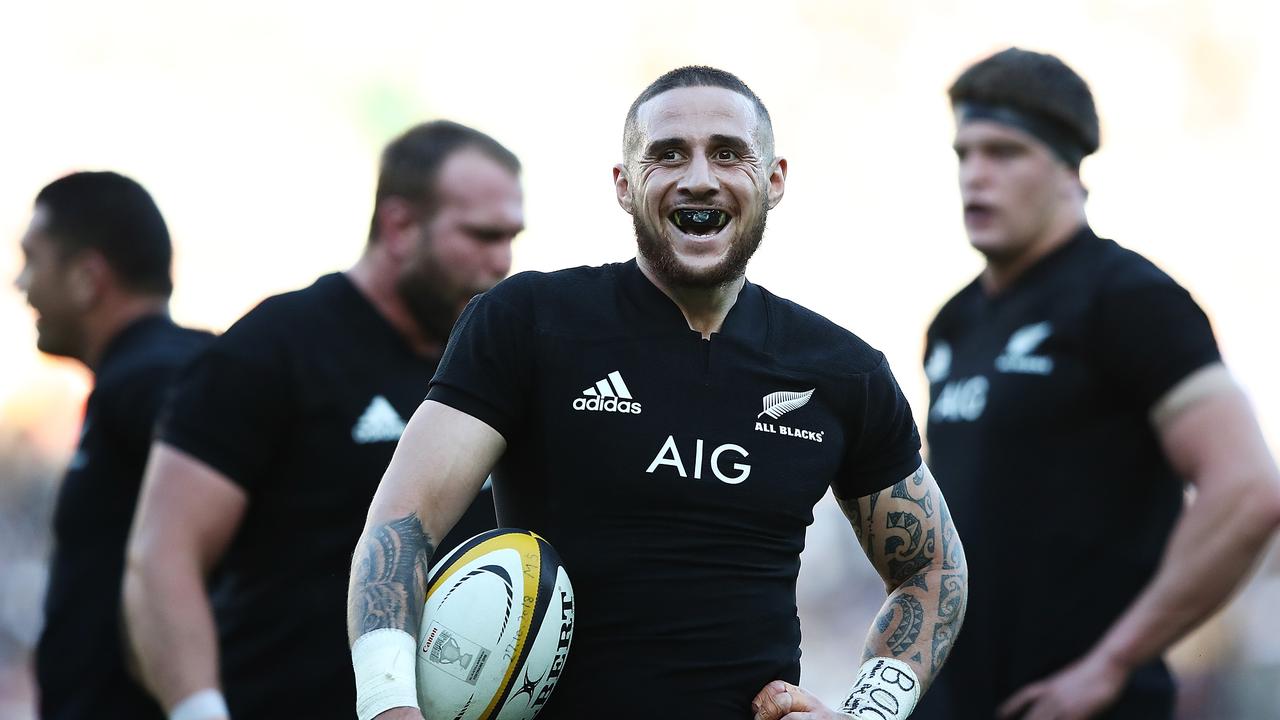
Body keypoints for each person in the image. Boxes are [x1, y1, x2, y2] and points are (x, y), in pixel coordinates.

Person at [346, 66, 969, 720]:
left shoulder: (841, 370)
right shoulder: (529, 321)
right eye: (667, 154)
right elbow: (401, 527)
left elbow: (934, 571)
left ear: (774, 179)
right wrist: (388, 704)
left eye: (728, 153)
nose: (699, 177)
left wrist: (870, 713)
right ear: (623, 185)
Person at [915, 48, 1280, 720]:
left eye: (1004, 152)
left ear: (1066, 168)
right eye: (963, 154)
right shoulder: (953, 324)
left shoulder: (1129, 299)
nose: (975, 176)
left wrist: (1109, 665)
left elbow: (1249, 489)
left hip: (1084, 705)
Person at [123, 121, 523, 720]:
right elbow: (163, 557)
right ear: (399, 226)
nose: (503, 261)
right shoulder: (275, 346)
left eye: (511, 237)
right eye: (482, 236)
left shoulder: (495, 366)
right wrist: (197, 711)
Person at [15, 171, 213, 720]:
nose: (21, 282)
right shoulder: (143, 376)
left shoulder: (154, 378)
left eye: (33, 259)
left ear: (87, 277)